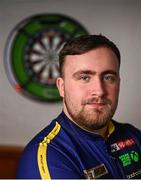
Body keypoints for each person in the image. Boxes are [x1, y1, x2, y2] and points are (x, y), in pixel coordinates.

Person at [16, 34, 141, 179]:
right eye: (84, 77)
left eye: (108, 77)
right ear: (61, 87)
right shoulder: (49, 156)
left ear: (118, 84)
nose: (99, 91)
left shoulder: (133, 136)